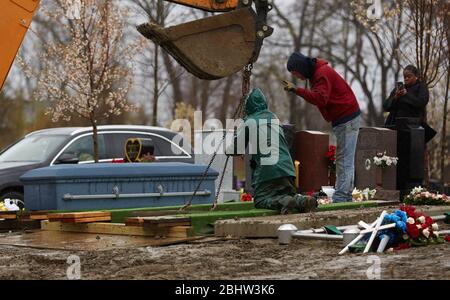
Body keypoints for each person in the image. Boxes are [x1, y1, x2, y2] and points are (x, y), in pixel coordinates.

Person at [283, 52, 361, 203]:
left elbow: (321, 99)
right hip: (343, 118)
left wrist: (297, 90)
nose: (297, 77)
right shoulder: (316, 73)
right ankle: (344, 194)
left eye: (296, 73)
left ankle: (342, 197)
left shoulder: (321, 74)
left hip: (347, 116)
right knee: (343, 158)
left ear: (301, 68)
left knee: (345, 159)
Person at [227, 88, 317, 214]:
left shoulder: (249, 121)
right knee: (288, 194)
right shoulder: (275, 119)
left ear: (248, 107)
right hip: (287, 168)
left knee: (260, 200)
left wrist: (227, 146)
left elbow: (234, 150)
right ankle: (302, 201)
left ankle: (284, 202)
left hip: (267, 170)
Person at [383, 65, 435, 142]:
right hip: (394, 127)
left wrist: (406, 95)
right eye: (404, 77)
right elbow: (385, 106)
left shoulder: (421, 87)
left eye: (409, 76)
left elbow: (421, 102)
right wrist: (396, 97)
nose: (406, 79)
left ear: (416, 76)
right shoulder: (398, 89)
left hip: (412, 128)